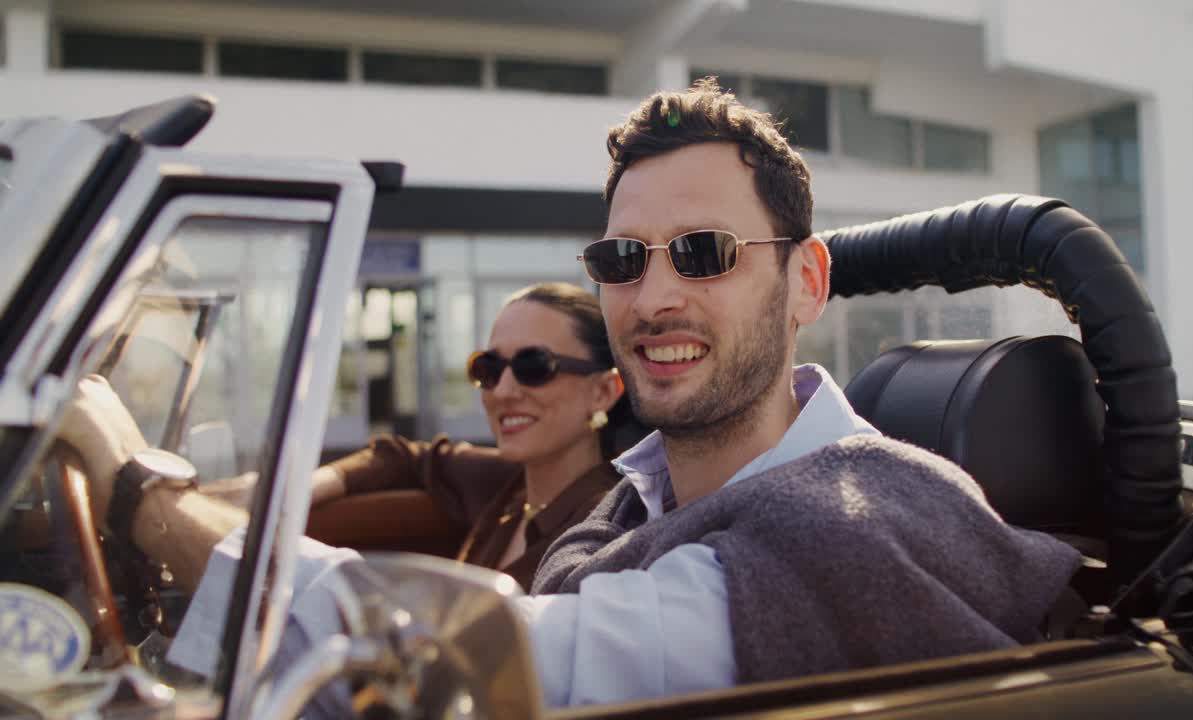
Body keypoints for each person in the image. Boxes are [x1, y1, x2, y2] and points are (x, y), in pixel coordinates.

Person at [58, 80, 1081, 711]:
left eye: (704, 252)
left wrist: (143, 495)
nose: (655, 295)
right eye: (623, 259)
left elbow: (464, 667)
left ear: (805, 282)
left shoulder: (847, 529)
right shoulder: (637, 498)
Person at [306, 281, 640, 590]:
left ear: (604, 391)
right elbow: (404, 458)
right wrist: (295, 492)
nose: (502, 391)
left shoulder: (610, 528)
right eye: (489, 368)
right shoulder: (508, 484)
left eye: (534, 367)